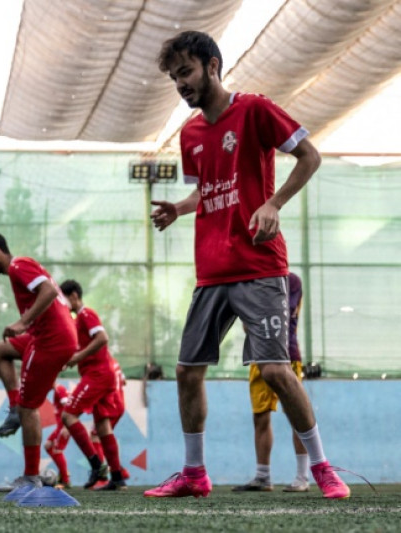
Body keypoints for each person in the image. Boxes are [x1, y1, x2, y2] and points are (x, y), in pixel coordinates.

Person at [145, 31, 349, 499]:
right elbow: (205, 191)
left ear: (213, 66)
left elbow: (309, 156)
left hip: (259, 266)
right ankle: (194, 475)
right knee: (186, 371)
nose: (180, 83)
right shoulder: (191, 134)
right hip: (211, 272)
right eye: (174, 76)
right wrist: (179, 208)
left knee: (276, 371)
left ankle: (321, 468)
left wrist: (274, 203)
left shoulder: (254, 109)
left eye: (186, 71)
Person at [0, 231, 78, 491]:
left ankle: (31, 477)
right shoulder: (19, 270)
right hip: (45, 336)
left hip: (50, 341)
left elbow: (50, 291)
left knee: (29, 407)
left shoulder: (19, 265)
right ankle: (13, 409)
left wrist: (23, 322)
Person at [233, 271, 312, 492]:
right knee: (260, 416)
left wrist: (256, 315)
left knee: (298, 416)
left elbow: (283, 312)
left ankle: (302, 476)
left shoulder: (292, 281)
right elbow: (247, 323)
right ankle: (263, 476)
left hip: (287, 355)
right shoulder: (251, 281)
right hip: (259, 356)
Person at [58, 280, 128, 491]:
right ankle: (117, 477)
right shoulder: (78, 320)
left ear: (73, 296)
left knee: (68, 416)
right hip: (101, 374)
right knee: (102, 426)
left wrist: (79, 356)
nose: (62, 304)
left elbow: (102, 338)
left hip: (97, 374)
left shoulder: (86, 314)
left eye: (63, 299)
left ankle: (96, 465)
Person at [42, 384, 71, 487]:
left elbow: (67, 405)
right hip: (60, 427)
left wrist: (66, 426)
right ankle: (63, 472)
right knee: (48, 445)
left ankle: (65, 480)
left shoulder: (59, 389)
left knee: (57, 450)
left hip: (64, 426)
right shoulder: (57, 391)